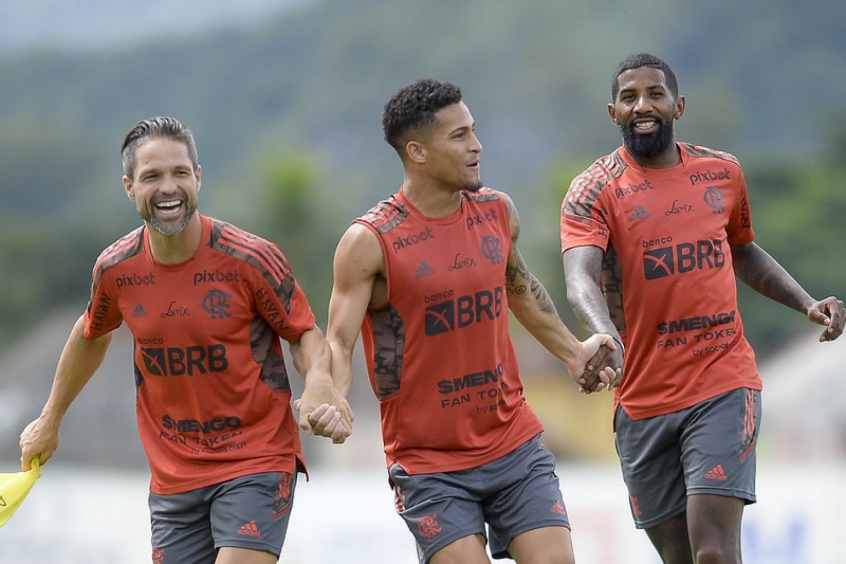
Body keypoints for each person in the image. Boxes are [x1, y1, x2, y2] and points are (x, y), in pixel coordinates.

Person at [18, 116, 352, 564]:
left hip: (255, 459)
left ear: (198, 177)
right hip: (173, 475)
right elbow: (91, 333)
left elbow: (303, 332)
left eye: (179, 173)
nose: (168, 187)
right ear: (129, 187)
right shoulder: (116, 270)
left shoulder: (249, 259)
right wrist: (50, 420)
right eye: (151, 176)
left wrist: (319, 384)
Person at [560, 53, 845, 563]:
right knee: (678, 555)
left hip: (722, 382)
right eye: (629, 97)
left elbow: (741, 249)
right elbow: (579, 276)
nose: (643, 106)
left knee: (713, 550)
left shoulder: (722, 173)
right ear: (613, 112)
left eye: (655, 94)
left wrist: (805, 303)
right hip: (642, 398)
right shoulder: (593, 190)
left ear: (679, 105)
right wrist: (603, 334)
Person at [326, 78, 618, 564]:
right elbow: (338, 340)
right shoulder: (369, 241)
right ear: (417, 152)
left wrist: (573, 352)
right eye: (459, 136)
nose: (477, 146)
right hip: (429, 464)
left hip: (513, 443)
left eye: (474, 131)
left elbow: (520, 289)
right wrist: (331, 395)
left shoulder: (497, 212)